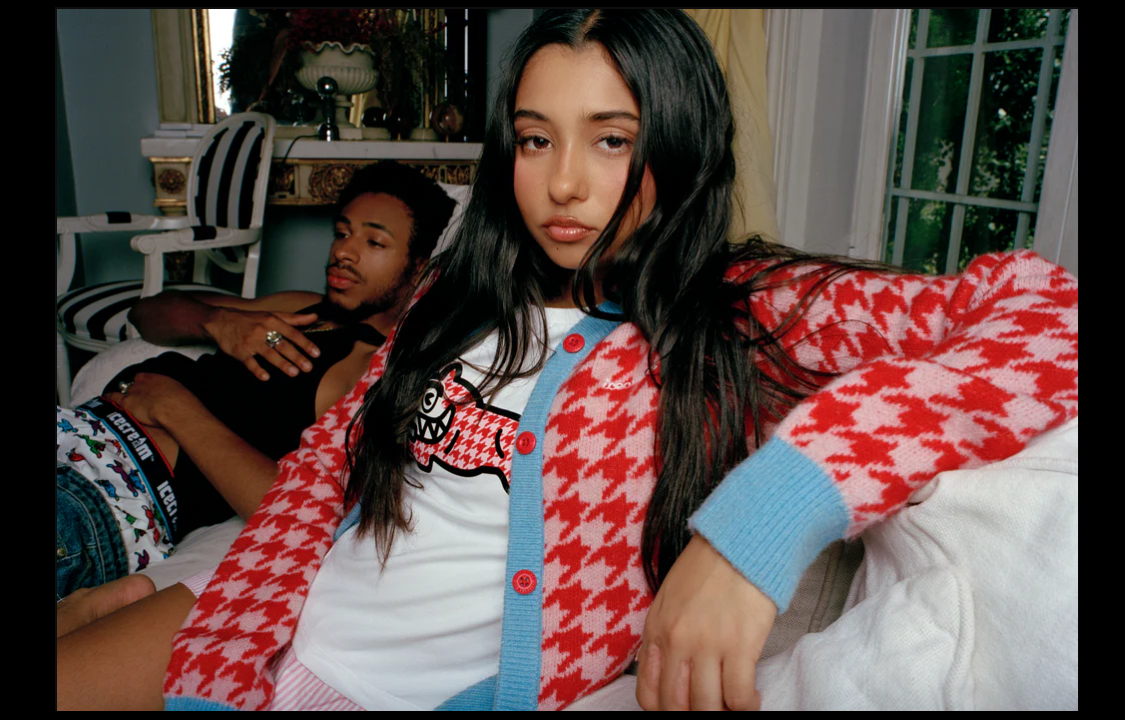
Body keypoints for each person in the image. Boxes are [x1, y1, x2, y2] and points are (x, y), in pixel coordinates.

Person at [57, 10, 1078, 712]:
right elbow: (329, 465)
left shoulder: (737, 310)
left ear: (676, 143)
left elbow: (1047, 318)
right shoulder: (459, 295)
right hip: (260, 623)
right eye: (537, 140)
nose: (564, 185)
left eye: (612, 139)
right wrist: (235, 627)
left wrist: (761, 524)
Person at [55, 161, 457, 601]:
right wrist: (218, 321)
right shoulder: (304, 308)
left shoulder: (369, 371)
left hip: (106, 492)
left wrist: (174, 409)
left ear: (421, 268)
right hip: (76, 433)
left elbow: (307, 516)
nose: (344, 251)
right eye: (342, 232)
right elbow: (147, 312)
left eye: (374, 241)